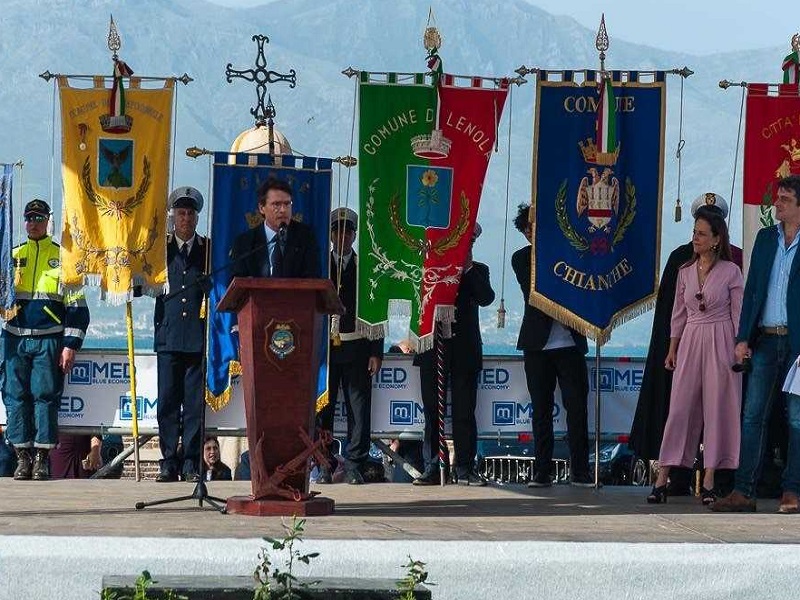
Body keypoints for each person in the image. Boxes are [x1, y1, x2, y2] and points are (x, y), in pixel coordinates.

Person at [630, 194, 739, 495]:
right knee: (680, 409)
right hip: (691, 339)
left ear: (718, 236)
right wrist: (672, 348)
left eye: (702, 233)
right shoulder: (682, 265)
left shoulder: (733, 267)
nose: (696, 238)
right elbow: (674, 313)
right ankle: (667, 473)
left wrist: (738, 348)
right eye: (695, 231)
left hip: (720, 339)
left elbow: (738, 314)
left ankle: (711, 478)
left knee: (718, 409)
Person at [713, 174, 800, 514]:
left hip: (796, 346)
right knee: (751, 416)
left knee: (796, 420)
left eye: (785, 200)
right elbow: (751, 292)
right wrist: (743, 337)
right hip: (765, 338)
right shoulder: (765, 238)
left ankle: (792, 491)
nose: (776, 203)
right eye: (777, 197)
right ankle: (743, 491)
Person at [2, 199, 89, 481]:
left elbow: (78, 309)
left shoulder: (64, 258)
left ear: (48, 221)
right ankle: (22, 457)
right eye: (29, 218)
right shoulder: (10, 256)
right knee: (15, 399)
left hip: (48, 341)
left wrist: (70, 346)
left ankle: (41, 458)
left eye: (39, 218)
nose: (34, 223)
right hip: (14, 339)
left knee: (45, 398)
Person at [511, 203, 592, 488]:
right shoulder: (521, 258)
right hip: (538, 345)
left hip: (570, 343)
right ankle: (542, 470)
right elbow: (535, 292)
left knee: (577, 408)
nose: (534, 231)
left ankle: (581, 470)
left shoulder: (572, 252)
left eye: (539, 225)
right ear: (525, 233)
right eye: (529, 228)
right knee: (541, 411)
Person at [413, 223, 495, 486]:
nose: (465, 246)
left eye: (469, 243)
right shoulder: (429, 270)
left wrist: (468, 267)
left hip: (464, 350)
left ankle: (464, 467)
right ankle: (433, 465)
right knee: (432, 411)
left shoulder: (479, 270)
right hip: (433, 347)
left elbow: (486, 297)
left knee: (464, 412)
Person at [316, 207, 383, 485]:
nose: (342, 236)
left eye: (347, 231)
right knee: (324, 409)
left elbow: (376, 308)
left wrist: (376, 351)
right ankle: (323, 462)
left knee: (358, 409)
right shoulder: (320, 263)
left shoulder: (366, 265)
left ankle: (355, 463)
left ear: (354, 235)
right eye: (337, 231)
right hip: (326, 350)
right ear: (331, 234)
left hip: (357, 346)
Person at [154, 187, 208, 483]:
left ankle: (190, 460)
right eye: (181, 213)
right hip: (169, 336)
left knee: (194, 405)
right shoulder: (160, 250)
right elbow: (144, 286)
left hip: (197, 339)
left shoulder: (207, 250)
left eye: (190, 214)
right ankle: (168, 460)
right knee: (167, 403)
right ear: (173, 217)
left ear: (197, 218)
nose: (185, 219)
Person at [230, 178, 321, 279]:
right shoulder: (244, 243)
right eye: (276, 204)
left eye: (287, 204)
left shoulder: (306, 237)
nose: (283, 210)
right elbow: (238, 282)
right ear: (261, 208)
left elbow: (313, 278)